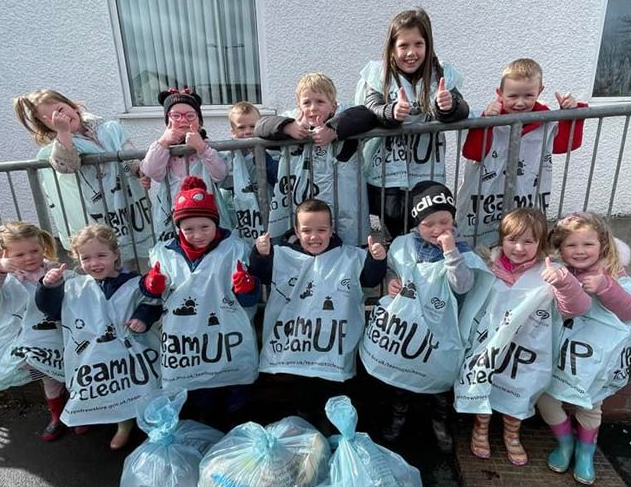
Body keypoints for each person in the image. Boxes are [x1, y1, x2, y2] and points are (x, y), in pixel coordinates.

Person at [359, 181, 490, 453]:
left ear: (454, 221)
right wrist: (392, 280)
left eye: (444, 221)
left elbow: (463, 284)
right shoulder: (403, 244)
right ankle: (398, 417)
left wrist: (451, 253)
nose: (437, 230)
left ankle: (440, 423)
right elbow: (392, 269)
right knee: (401, 375)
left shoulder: (461, 250)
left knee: (440, 378)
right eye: (428, 223)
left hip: (440, 325)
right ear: (416, 223)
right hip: (407, 327)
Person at [454, 208, 591, 465]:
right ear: (501, 240)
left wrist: (563, 283)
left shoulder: (550, 272)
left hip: (527, 348)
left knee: (520, 388)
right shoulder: (488, 267)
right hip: (489, 343)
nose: (519, 247)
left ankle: (512, 434)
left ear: (540, 244)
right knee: (484, 380)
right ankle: (480, 428)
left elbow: (577, 308)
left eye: (528, 241)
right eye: (512, 239)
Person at [249, 198, 387, 428]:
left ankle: (330, 424)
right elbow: (261, 274)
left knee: (333, 388)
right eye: (307, 230)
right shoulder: (283, 255)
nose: (314, 237)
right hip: (298, 348)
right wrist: (260, 255)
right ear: (296, 231)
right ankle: (305, 419)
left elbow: (370, 279)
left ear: (332, 230)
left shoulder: (349, 256)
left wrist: (377, 260)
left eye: (321, 230)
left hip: (332, 348)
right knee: (302, 387)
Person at [538, 212, 631, 485]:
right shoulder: (558, 271)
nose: (579, 251)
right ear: (560, 248)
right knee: (545, 396)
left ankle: (586, 452)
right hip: (560, 355)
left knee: (590, 404)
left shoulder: (615, 275)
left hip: (597, 361)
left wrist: (605, 287)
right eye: (571, 245)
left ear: (603, 244)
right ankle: (564, 444)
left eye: (587, 244)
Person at [139, 175, 260, 425]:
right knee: (199, 390)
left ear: (216, 223)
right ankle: (204, 420)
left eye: (205, 227)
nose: (197, 235)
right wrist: (151, 286)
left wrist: (247, 287)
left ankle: (237, 419)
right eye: (189, 229)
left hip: (226, 334)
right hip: (189, 342)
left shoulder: (234, 248)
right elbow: (152, 297)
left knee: (235, 385)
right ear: (178, 228)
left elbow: (250, 300)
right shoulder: (164, 254)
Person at [36, 224, 162, 450]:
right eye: (86, 258)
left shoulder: (134, 282)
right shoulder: (74, 287)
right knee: (114, 390)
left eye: (102, 255)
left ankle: (153, 423)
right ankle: (122, 425)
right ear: (78, 259)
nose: (94, 263)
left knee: (144, 386)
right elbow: (52, 310)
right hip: (98, 356)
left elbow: (151, 303)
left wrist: (142, 318)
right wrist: (48, 287)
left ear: (115, 254)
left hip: (134, 350)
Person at [355, 7, 469, 240]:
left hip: (426, 171)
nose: (411, 52)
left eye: (418, 44)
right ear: (392, 48)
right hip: (388, 174)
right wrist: (390, 112)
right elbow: (370, 106)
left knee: (428, 228)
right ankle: (398, 271)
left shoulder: (441, 73)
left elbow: (461, 108)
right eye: (403, 45)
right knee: (396, 231)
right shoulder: (379, 73)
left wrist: (448, 106)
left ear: (428, 45)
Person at [456, 58, 586, 247]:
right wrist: (485, 123)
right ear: (499, 93)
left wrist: (572, 115)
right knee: (481, 246)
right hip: (485, 200)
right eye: (513, 96)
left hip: (525, 198)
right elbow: (472, 152)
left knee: (520, 241)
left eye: (528, 95)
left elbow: (565, 144)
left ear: (540, 91)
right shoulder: (489, 117)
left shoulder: (545, 119)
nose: (520, 102)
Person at [14, 90, 152, 266]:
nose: (60, 117)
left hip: (129, 204)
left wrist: (140, 171)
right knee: (105, 255)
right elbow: (66, 165)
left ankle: (141, 287)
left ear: (73, 106)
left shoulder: (109, 128)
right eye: (50, 117)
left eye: (60, 109)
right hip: (97, 212)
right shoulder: (56, 147)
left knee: (139, 256)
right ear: (44, 126)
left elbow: (129, 154)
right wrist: (63, 133)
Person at [0, 222, 70, 441]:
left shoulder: (54, 269)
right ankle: (58, 416)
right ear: (5, 254)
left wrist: (57, 283)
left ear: (43, 246)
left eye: (34, 250)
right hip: (30, 342)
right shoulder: (4, 281)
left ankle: (81, 412)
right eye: (19, 254)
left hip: (61, 337)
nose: (29, 258)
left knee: (74, 374)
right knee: (50, 377)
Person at [257, 72, 378, 246]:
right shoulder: (292, 120)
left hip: (345, 212)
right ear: (299, 107)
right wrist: (288, 127)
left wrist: (333, 129)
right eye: (306, 102)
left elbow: (367, 115)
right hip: (307, 216)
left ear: (334, 106)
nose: (313, 108)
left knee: (347, 254)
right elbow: (260, 127)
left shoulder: (346, 118)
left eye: (320, 102)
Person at [140, 88, 230, 243]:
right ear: (167, 121)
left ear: (200, 121)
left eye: (190, 115)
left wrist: (201, 148)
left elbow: (220, 174)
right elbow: (152, 171)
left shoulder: (208, 146)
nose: (183, 120)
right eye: (176, 116)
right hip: (172, 212)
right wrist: (163, 142)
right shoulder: (162, 147)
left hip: (206, 211)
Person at [219, 101, 278, 246]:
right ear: (232, 132)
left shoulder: (269, 150)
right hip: (240, 213)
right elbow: (222, 181)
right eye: (241, 127)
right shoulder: (228, 155)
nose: (248, 132)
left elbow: (276, 177)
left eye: (253, 126)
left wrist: (261, 156)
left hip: (266, 208)